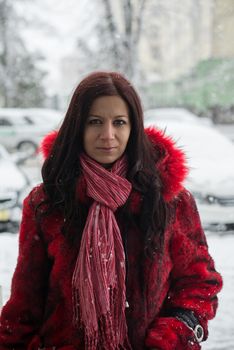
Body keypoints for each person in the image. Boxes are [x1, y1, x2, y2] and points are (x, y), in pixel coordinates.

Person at [0, 71, 222, 350]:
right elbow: (25, 302)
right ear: (77, 127)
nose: (108, 135)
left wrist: (172, 334)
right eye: (95, 122)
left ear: (134, 127)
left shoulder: (170, 200)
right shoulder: (47, 203)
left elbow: (199, 282)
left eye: (119, 122)